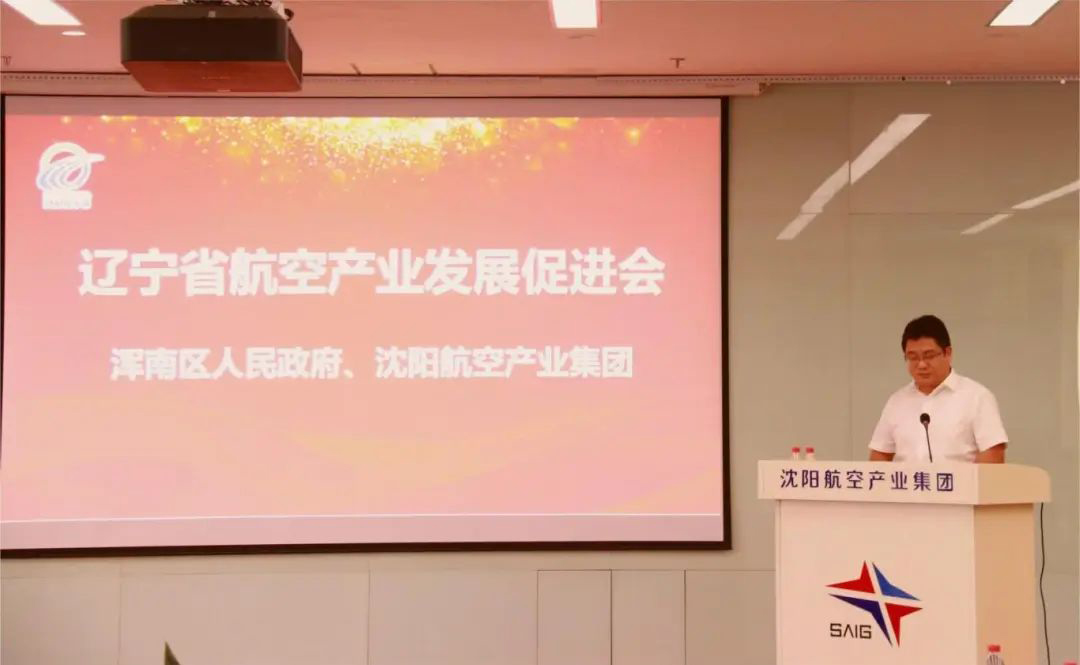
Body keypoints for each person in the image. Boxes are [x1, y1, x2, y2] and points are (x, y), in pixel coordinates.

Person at [869, 315, 1007, 463]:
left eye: (929, 356)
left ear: (948, 353)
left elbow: (993, 453)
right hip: (909, 479)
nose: (921, 365)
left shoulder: (977, 397)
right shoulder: (897, 401)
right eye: (913, 357)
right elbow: (880, 454)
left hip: (959, 478)